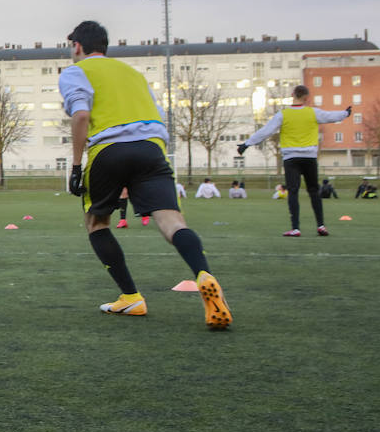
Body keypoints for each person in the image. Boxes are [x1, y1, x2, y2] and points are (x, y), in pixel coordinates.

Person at [58, 21, 231, 330]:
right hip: (152, 149)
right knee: (173, 222)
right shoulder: (134, 76)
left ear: (77, 47)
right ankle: (204, 274)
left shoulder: (75, 71)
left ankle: (131, 297)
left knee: (96, 223)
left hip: (109, 150)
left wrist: (74, 166)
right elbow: (159, 116)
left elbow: (81, 114)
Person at [240, 85, 349, 236]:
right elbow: (331, 116)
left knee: (293, 191)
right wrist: (345, 113)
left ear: (293, 95)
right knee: (313, 191)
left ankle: (296, 228)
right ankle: (321, 226)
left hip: (291, 158)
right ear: (306, 97)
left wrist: (247, 144)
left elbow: (266, 131)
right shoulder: (313, 112)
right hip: (309, 158)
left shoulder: (283, 115)